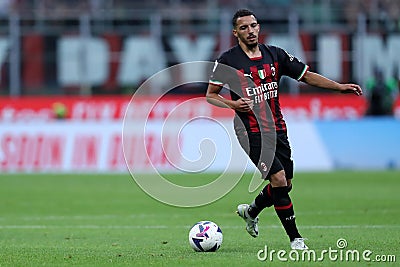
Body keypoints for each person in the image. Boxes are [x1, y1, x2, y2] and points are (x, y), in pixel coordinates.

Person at [206, 9, 363, 250]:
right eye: (245, 27)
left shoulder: (275, 55)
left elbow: (306, 76)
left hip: (277, 128)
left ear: (259, 27)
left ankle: (251, 211)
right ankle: (295, 239)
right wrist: (233, 103)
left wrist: (339, 87)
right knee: (278, 179)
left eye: (254, 25)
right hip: (250, 131)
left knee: (285, 184)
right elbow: (211, 95)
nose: (251, 31)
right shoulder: (228, 60)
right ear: (235, 32)